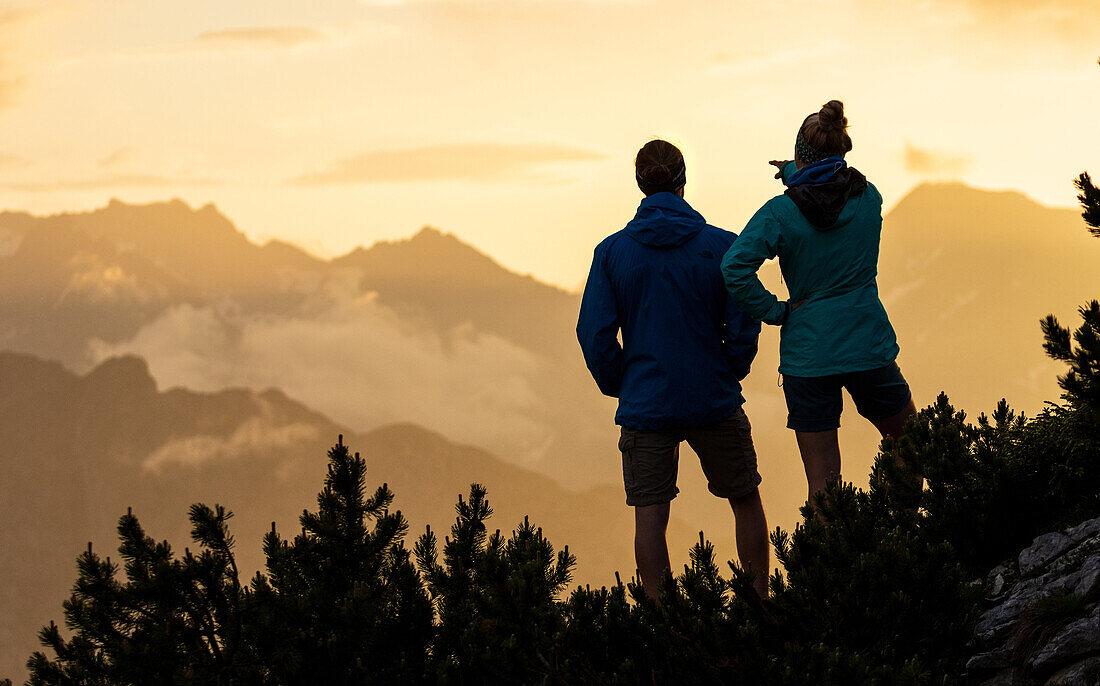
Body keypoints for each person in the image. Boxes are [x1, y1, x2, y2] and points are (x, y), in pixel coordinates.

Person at [577, 139, 769, 598]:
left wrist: (621, 382)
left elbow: (595, 334)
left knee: (650, 516)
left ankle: (662, 628)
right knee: (744, 498)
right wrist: (730, 368)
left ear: (640, 184)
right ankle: (760, 605)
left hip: (645, 403)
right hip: (713, 398)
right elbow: (744, 319)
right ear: (683, 181)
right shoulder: (723, 247)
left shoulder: (612, 254)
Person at [721, 100, 917, 507]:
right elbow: (830, 191)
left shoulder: (781, 213)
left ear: (800, 156)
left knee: (824, 484)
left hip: (807, 355)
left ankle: (834, 566)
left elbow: (734, 267)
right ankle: (905, 540)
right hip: (868, 345)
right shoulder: (870, 199)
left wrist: (775, 311)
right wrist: (798, 175)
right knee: (911, 446)